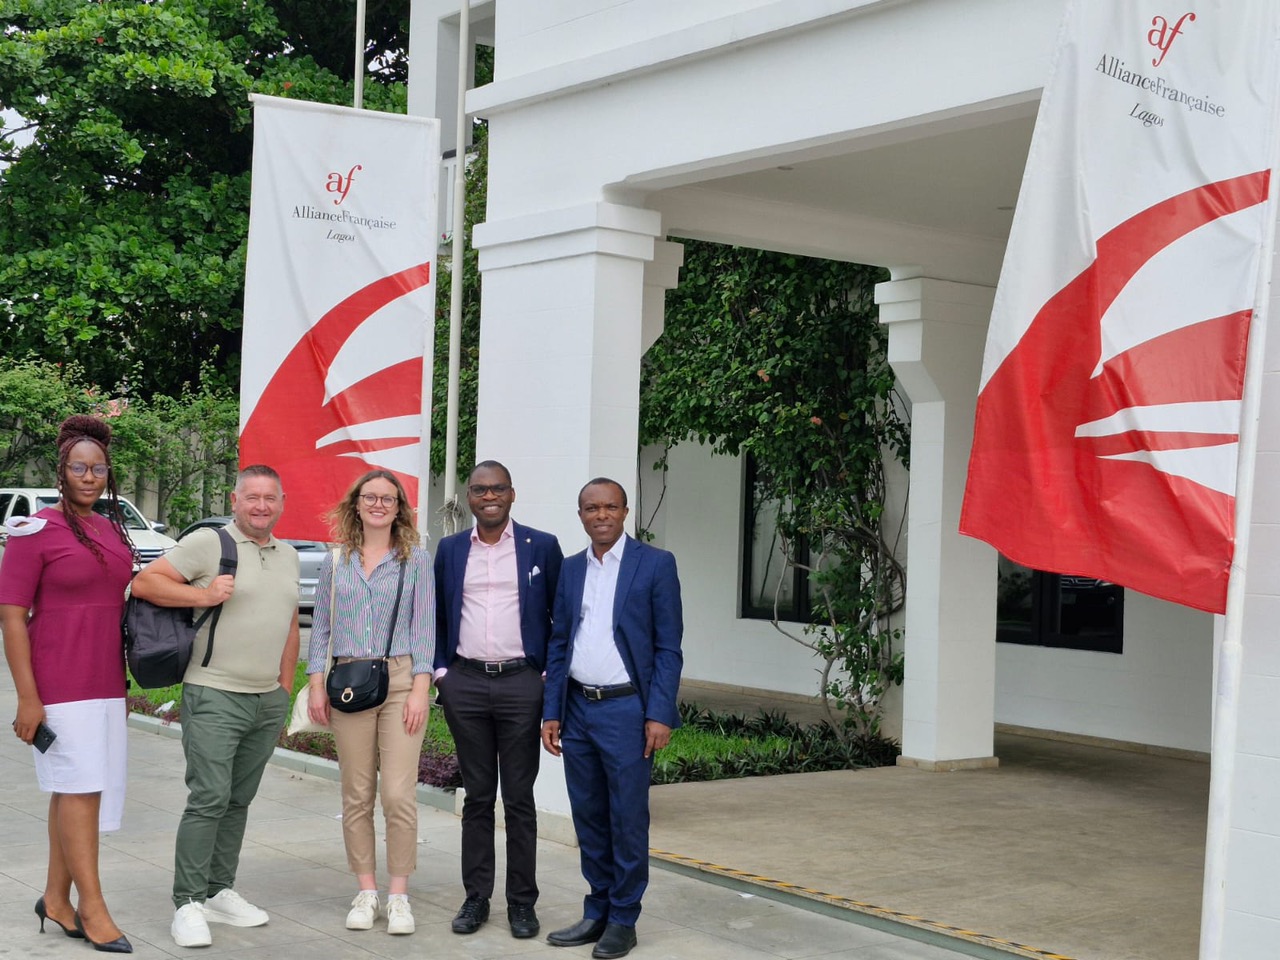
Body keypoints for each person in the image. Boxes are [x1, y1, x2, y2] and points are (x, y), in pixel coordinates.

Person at [130, 464, 300, 949]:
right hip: (214, 693)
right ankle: (187, 903)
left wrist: (283, 689)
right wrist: (203, 594)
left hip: (265, 700)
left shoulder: (287, 555)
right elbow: (145, 584)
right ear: (235, 499)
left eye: (270, 497)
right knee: (208, 799)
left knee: (238, 801)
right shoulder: (210, 544)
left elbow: (289, 624)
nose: (261, 506)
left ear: (282, 502)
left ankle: (218, 889)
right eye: (252, 497)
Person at [0, 415, 136, 954]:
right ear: (62, 470)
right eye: (78, 467)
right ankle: (92, 906)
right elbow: (11, 616)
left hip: (104, 677)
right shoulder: (35, 530)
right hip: (58, 681)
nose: (89, 476)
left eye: (98, 468)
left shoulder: (109, 528)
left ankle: (56, 899)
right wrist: (27, 697)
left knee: (80, 786)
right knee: (80, 788)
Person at [541, 478, 683, 960]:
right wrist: (552, 711)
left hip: (627, 709)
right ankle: (597, 908)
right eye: (591, 508)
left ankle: (624, 917)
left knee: (626, 818)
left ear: (625, 511)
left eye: (610, 507)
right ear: (580, 514)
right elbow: (559, 643)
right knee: (590, 815)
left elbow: (668, 648)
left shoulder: (656, 565)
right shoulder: (571, 568)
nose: (601, 515)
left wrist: (659, 712)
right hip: (578, 708)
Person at [433, 461, 563, 939]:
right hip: (464, 683)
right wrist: (442, 672)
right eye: (480, 489)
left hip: (521, 684)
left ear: (512, 494)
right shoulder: (449, 550)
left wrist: (546, 675)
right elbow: (439, 614)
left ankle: (522, 903)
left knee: (520, 798)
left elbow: (558, 614)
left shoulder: (541, 546)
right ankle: (476, 898)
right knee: (477, 798)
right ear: (469, 497)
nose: (489, 496)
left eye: (498, 489)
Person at [304, 469, 435, 936]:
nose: (378, 504)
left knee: (398, 794)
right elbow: (321, 626)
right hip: (345, 681)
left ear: (399, 507)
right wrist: (315, 681)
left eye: (388, 498)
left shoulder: (415, 560)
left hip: (400, 679)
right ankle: (366, 890)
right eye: (369, 497)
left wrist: (421, 687)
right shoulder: (335, 561)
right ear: (355, 504)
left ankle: (399, 895)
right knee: (357, 795)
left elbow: (425, 628)